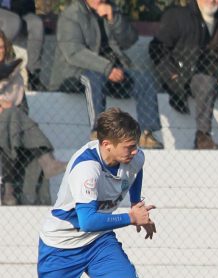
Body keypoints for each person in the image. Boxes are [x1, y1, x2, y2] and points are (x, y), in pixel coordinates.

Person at [37, 108, 157, 278]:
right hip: (60, 246)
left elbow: (136, 171)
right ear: (106, 145)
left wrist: (137, 204)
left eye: (135, 144)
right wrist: (130, 217)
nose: (134, 151)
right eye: (128, 146)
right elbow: (88, 220)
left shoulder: (134, 157)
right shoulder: (86, 169)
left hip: (97, 242)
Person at [49, 0, 164, 149]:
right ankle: (98, 131)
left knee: (144, 80)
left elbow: (130, 40)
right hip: (74, 73)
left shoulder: (111, 9)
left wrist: (113, 19)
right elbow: (74, 52)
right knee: (94, 78)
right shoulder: (71, 15)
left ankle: (146, 134)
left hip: (109, 72)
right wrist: (106, 68)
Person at [150, 0, 218, 150]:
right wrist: (173, 75)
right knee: (206, 81)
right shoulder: (178, 16)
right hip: (187, 77)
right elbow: (157, 48)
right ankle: (202, 136)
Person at [0, 29, 65, 205]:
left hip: (9, 129)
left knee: (11, 119)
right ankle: (47, 159)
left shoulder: (16, 77)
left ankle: (8, 191)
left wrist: (8, 109)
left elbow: (24, 112)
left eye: (1, 47)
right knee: (11, 117)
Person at [0, 0, 44, 89]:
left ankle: (33, 74)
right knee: (13, 21)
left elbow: (28, 7)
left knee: (36, 24)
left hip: (18, 15)